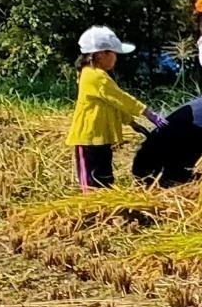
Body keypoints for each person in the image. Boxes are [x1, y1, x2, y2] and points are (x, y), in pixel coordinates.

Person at [67, 26, 156, 189]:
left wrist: (132, 123)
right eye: (114, 53)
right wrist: (147, 112)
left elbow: (113, 104)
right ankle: (91, 212)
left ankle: (106, 211)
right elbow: (120, 98)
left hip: (100, 139)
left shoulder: (98, 74)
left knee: (105, 179)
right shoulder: (94, 76)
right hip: (88, 140)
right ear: (101, 55)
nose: (116, 58)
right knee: (92, 185)